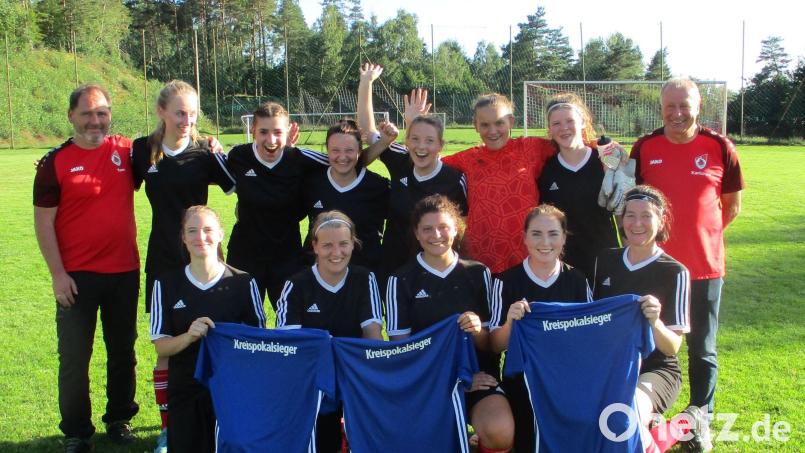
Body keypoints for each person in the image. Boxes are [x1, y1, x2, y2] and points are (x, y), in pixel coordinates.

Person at [630, 77, 744, 452]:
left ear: (698, 107)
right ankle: (650, 408)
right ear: (661, 108)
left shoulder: (719, 146)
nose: (677, 114)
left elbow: (731, 206)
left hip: (705, 267)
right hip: (657, 269)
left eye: (684, 106)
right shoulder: (645, 148)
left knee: (702, 349)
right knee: (653, 342)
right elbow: (632, 202)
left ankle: (701, 420)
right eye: (670, 107)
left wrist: (702, 237)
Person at [34, 84, 140, 453]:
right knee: (75, 358)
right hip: (76, 277)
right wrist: (58, 275)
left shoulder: (127, 150)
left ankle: (120, 418)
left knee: (123, 351)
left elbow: (170, 142)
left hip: (124, 270)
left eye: (102, 112)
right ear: (71, 116)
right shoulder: (54, 163)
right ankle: (77, 432)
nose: (96, 120)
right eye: (87, 113)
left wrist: (207, 141)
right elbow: (43, 223)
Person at [130, 79, 235, 453]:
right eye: (179, 112)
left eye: (192, 113)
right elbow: (112, 181)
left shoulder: (204, 152)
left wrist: (223, 151)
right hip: (163, 259)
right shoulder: (143, 151)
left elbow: (237, 186)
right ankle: (168, 429)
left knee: (215, 337)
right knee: (166, 345)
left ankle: (221, 412)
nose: (186, 120)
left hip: (203, 256)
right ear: (161, 112)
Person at [385, 195, 513, 453]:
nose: (436, 235)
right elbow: (403, 353)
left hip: (479, 378)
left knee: (500, 433)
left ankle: (480, 442)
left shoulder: (478, 273)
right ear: (417, 234)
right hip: (428, 384)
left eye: (443, 227)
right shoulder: (400, 280)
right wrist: (455, 378)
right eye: (427, 229)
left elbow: (492, 347)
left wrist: (477, 330)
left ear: (456, 228)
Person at [150, 205, 266, 453]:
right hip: (185, 387)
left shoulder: (244, 282)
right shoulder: (166, 284)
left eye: (207, 230)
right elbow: (161, 345)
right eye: (192, 231)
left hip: (231, 388)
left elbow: (258, 343)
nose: (200, 238)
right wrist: (189, 336)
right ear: (183, 237)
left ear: (221, 234)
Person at [275, 210, 384, 452]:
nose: (337, 253)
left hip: (352, 374)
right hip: (313, 380)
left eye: (344, 244)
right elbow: (290, 348)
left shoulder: (365, 279)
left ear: (353, 244)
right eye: (327, 245)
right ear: (314, 246)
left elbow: (373, 337)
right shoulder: (296, 286)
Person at [593, 185, 690, 453]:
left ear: (661, 221)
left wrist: (655, 321)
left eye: (646, 216)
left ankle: (656, 438)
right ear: (621, 220)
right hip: (611, 364)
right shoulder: (606, 260)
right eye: (630, 215)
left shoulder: (675, 272)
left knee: (627, 414)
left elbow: (672, 347)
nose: (637, 224)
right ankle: (659, 428)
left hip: (655, 369)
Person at [488, 204, 591, 452]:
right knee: (527, 438)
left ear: (564, 237)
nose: (545, 242)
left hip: (567, 378)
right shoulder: (505, 281)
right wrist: (511, 322)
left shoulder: (577, 280)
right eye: (536, 233)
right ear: (524, 237)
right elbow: (494, 344)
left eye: (553, 234)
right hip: (522, 379)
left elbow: (589, 338)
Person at [357, 63, 468, 279]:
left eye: (429, 140)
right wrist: (366, 83)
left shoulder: (454, 179)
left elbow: (466, 225)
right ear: (406, 141)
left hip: (437, 271)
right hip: (394, 268)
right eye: (415, 139)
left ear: (440, 146)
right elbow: (367, 131)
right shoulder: (400, 161)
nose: (421, 147)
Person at [225, 101, 329, 310]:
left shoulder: (299, 159)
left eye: (278, 132)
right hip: (244, 255)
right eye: (263, 132)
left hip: (286, 257)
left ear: (288, 131)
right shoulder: (238, 156)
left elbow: (347, 159)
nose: (271, 140)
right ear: (253, 130)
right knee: (240, 320)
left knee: (292, 319)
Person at [537, 93, 620, 280]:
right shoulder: (546, 170)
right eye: (556, 123)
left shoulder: (606, 160)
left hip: (605, 261)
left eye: (570, 121)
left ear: (582, 121)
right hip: (563, 266)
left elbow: (624, 210)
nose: (564, 128)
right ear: (550, 129)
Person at [302, 120, 391, 274]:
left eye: (349, 150)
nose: (342, 157)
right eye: (335, 150)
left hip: (366, 275)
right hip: (320, 276)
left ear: (360, 151)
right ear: (327, 151)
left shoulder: (378, 186)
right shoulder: (312, 184)